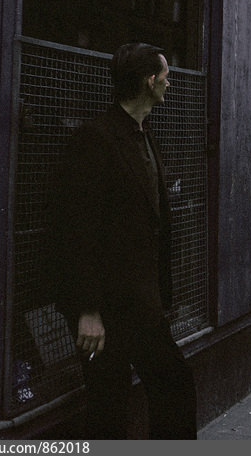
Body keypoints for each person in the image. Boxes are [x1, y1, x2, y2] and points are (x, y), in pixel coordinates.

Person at [48, 42, 197, 439]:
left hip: (140, 302)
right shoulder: (95, 139)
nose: (170, 81)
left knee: (172, 387)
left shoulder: (144, 134)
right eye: (166, 74)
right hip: (106, 307)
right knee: (109, 406)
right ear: (150, 81)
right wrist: (87, 310)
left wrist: (162, 297)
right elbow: (74, 231)